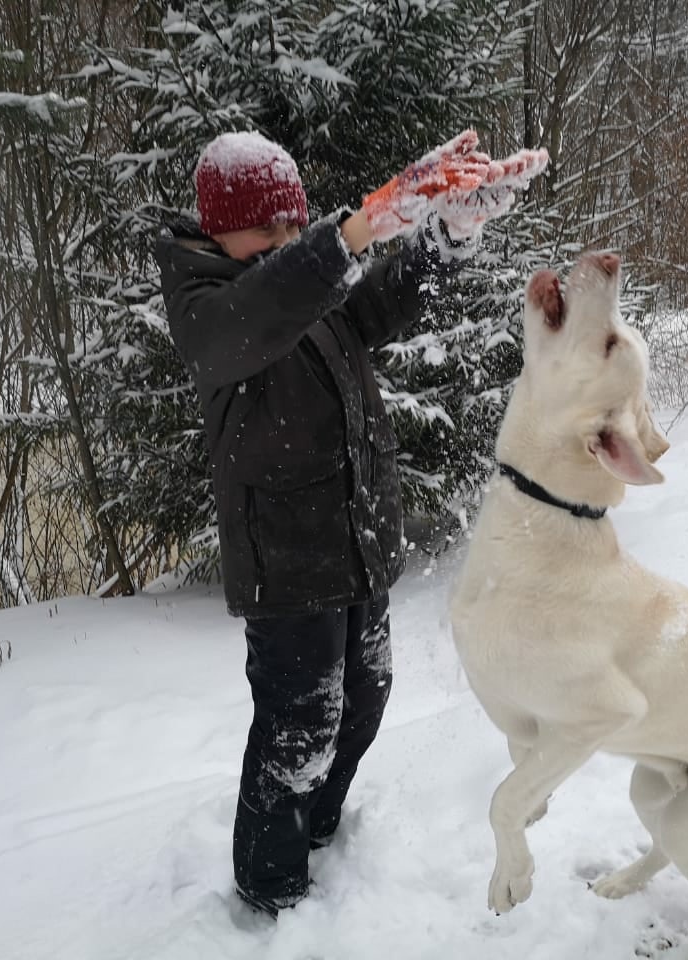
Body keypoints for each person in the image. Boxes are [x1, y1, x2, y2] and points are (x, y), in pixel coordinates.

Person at [154, 129, 547, 919]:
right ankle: (270, 891)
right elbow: (265, 308)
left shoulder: (299, 277)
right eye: (265, 230)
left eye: (291, 228)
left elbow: (369, 306)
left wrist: (447, 236)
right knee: (299, 725)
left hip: (352, 541)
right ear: (217, 229)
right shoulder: (210, 309)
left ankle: (318, 828)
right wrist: (351, 233)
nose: (281, 245)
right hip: (287, 561)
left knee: (365, 697)